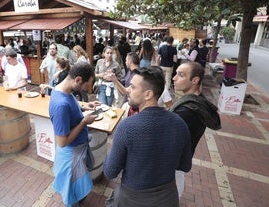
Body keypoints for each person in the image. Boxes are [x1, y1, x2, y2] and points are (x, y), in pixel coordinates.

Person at [103, 67, 192, 206]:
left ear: (148, 94)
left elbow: (110, 172)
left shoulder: (127, 127)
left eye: (132, 87)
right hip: (168, 198)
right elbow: (185, 166)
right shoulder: (180, 123)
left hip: (133, 199)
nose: (128, 90)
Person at [49, 62, 100, 207]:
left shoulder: (63, 90)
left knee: (76, 187)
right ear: (78, 79)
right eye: (86, 85)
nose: (86, 89)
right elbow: (62, 142)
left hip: (77, 149)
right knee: (70, 192)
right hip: (70, 155)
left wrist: (83, 106)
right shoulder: (60, 105)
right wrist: (84, 122)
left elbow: (70, 109)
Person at [171, 62, 221, 198]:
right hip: (181, 161)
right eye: (175, 73)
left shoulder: (187, 112)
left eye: (180, 75)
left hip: (173, 164)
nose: (174, 78)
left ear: (195, 80)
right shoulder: (197, 102)